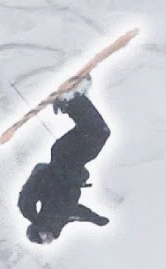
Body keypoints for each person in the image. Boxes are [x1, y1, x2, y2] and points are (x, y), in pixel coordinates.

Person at [17, 74, 112, 245]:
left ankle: (72, 100)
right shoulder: (55, 218)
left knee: (99, 133)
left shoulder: (50, 218)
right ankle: (75, 99)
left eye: (44, 238)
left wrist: (31, 215)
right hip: (66, 158)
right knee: (94, 131)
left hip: (68, 160)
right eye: (46, 241)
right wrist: (96, 219)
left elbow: (74, 211)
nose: (49, 240)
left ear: (41, 230)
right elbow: (76, 214)